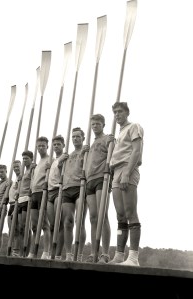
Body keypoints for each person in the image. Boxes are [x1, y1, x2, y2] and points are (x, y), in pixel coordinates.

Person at [108, 102, 144, 266]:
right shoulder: (119, 133)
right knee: (120, 215)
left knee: (130, 213)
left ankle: (133, 257)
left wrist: (127, 173)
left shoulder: (134, 127)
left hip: (127, 169)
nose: (117, 114)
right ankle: (119, 255)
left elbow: (136, 151)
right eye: (115, 112)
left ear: (127, 112)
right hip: (116, 172)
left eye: (120, 111)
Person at [83, 114, 114, 264]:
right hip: (90, 180)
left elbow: (113, 155)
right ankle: (93, 253)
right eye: (93, 124)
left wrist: (112, 141)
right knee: (93, 217)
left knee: (103, 215)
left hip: (102, 178)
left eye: (97, 124)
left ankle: (105, 254)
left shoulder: (107, 138)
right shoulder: (91, 144)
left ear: (103, 124)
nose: (95, 126)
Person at [59, 127, 87, 262]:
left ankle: (79, 254)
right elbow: (61, 174)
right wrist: (60, 163)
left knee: (79, 220)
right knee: (67, 222)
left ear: (83, 138)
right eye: (73, 137)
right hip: (67, 188)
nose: (75, 139)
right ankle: (69, 254)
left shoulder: (86, 151)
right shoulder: (67, 155)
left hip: (80, 187)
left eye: (78, 136)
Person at [28, 137, 51, 259]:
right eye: (39, 146)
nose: (41, 148)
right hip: (34, 194)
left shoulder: (49, 159)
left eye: (43, 145)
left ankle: (46, 252)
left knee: (44, 224)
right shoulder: (36, 164)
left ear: (47, 146)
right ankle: (33, 252)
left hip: (43, 193)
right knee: (34, 226)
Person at [46, 135, 65, 260]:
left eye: (58, 144)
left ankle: (58, 254)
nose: (56, 146)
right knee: (52, 225)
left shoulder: (65, 157)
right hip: (49, 192)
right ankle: (51, 253)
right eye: (54, 144)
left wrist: (61, 164)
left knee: (60, 224)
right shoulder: (52, 160)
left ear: (63, 145)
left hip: (59, 190)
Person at [17, 150, 35, 257]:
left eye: (26, 158)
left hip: (27, 199)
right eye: (23, 159)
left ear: (31, 159)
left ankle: (26, 251)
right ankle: (20, 251)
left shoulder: (32, 168)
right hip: (20, 199)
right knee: (21, 227)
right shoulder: (23, 172)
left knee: (25, 225)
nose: (24, 160)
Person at [7, 160, 21, 257]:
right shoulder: (14, 179)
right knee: (11, 229)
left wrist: (16, 206)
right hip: (11, 205)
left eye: (17, 166)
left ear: (21, 166)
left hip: (18, 204)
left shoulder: (22, 177)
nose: (16, 168)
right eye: (14, 167)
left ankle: (17, 251)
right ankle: (12, 250)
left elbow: (20, 193)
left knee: (18, 229)